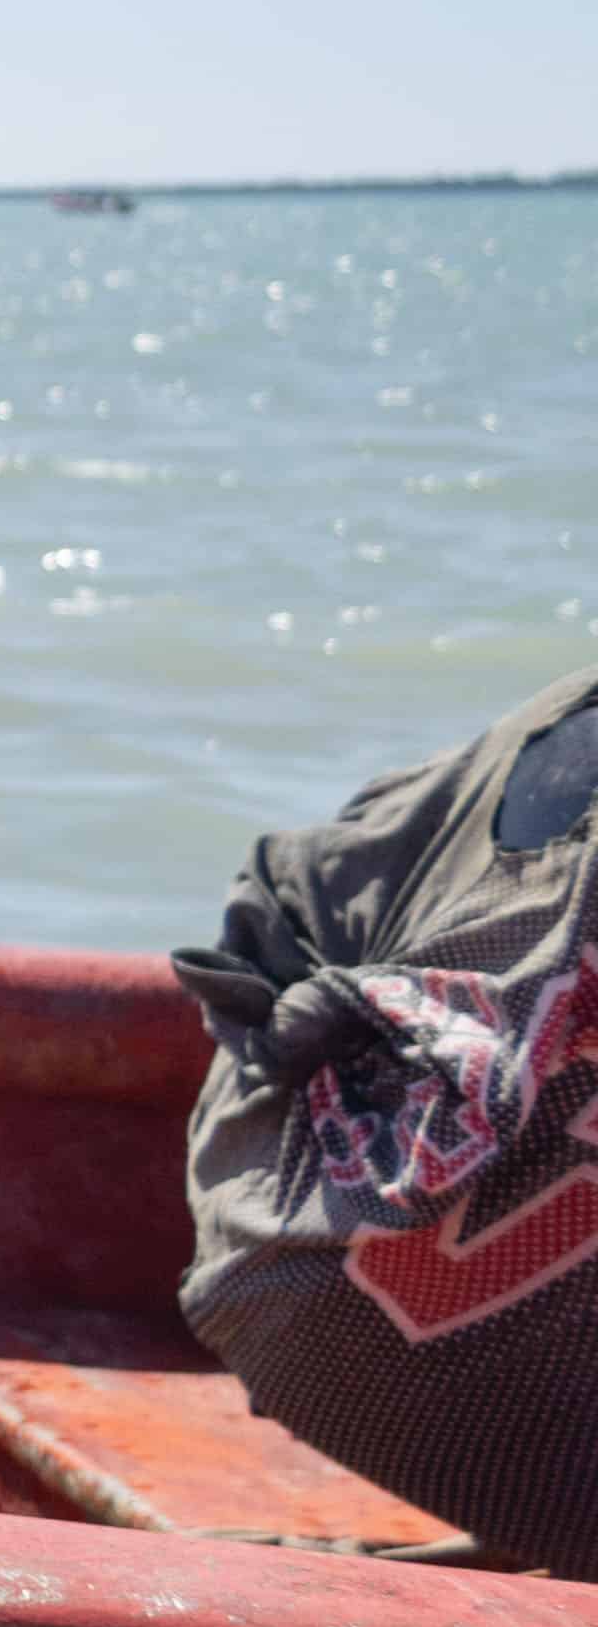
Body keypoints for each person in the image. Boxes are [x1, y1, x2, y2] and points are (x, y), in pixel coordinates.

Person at [175, 664, 598, 1562]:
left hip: (273, 1252)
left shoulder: (561, 721)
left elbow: (303, 885)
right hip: (464, 1349)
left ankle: (534, 1539)